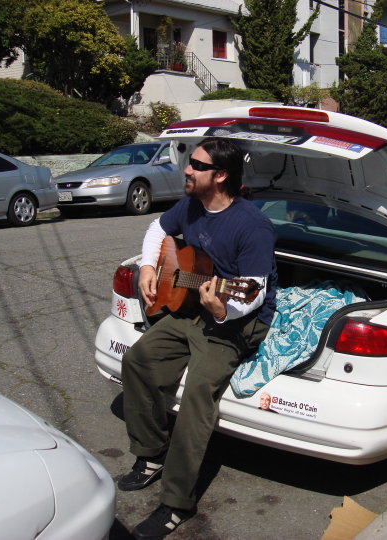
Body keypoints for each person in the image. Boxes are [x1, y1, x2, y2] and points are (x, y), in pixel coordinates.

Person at [119, 137, 277, 539]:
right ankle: (151, 454)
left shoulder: (252, 225)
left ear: (220, 176)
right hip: (193, 308)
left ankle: (176, 503)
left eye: (198, 165)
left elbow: (253, 290)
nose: (187, 169)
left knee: (196, 395)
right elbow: (157, 227)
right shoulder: (191, 204)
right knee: (138, 360)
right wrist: (148, 267)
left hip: (237, 319)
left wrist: (225, 308)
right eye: (190, 161)